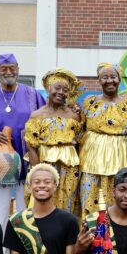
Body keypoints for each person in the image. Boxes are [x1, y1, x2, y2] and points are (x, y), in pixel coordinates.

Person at [0, 53, 46, 229]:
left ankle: (23, 252)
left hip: (28, 160)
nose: (8, 72)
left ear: (18, 69)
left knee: (27, 211)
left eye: (12, 68)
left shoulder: (33, 95)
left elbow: (47, 119)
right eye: (4, 69)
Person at [78, 63, 127, 220]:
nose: (109, 81)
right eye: (105, 77)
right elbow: (79, 130)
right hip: (91, 162)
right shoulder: (89, 103)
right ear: (99, 80)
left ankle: (115, 240)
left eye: (113, 77)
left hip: (120, 161)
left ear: (119, 79)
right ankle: (90, 238)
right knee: (90, 202)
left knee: (116, 202)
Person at [26, 69, 83, 216]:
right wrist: (37, 172)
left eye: (65, 90)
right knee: (44, 202)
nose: (61, 92)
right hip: (45, 164)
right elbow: (31, 147)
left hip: (69, 168)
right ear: (48, 88)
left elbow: (79, 144)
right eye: (57, 88)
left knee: (67, 204)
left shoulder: (74, 116)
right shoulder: (37, 116)